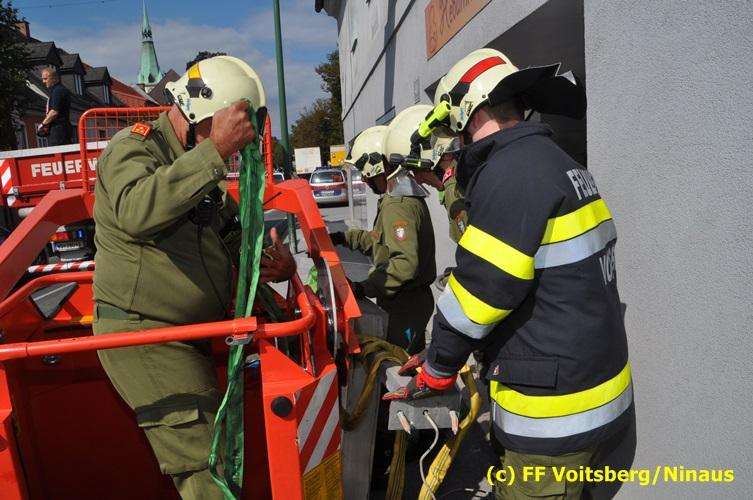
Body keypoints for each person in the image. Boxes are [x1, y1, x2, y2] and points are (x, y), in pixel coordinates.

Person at [386, 48, 632, 499]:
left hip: (554, 418)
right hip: (593, 396)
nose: (458, 144)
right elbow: (535, 285)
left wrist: (438, 367)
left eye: (456, 130)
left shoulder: (510, 173)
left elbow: (480, 293)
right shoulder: (558, 162)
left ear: (469, 112)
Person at [92, 56, 295, 499]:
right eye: (229, 134)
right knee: (208, 470)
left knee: (216, 457)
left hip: (184, 332)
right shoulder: (133, 148)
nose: (233, 150)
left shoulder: (190, 160)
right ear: (202, 115)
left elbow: (227, 232)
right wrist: (213, 152)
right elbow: (136, 211)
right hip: (146, 334)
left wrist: (271, 262)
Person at [330, 106, 437, 354]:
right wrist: (344, 237)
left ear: (375, 165)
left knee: (400, 364)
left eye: (364, 172)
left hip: (405, 305)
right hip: (406, 300)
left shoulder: (397, 205)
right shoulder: (395, 198)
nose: (364, 180)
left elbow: (404, 265)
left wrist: (363, 287)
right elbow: (380, 241)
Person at [38, 67, 72, 146]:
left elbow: (54, 111)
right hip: (60, 128)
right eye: (43, 79)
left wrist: (43, 124)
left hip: (58, 129)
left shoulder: (58, 91)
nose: (43, 81)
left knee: (58, 151)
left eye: (45, 79)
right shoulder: (57, 90)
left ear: (54, 78)